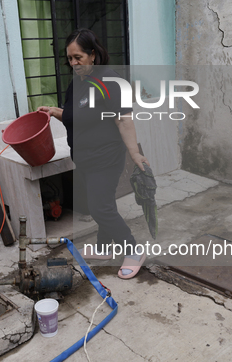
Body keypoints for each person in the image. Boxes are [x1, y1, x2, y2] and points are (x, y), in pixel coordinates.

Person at [38, 28, 149, 279]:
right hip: (85, 157)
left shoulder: (110, 81)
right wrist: (55, 111)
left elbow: (124, 120)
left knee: (100, 208)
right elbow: (76, 113)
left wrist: (134, 153)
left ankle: (133, 250)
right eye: (69, 59)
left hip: (106, 157)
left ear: (92, 55)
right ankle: (104, 246)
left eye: (78, 57)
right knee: (102, 202)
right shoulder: (77, 83)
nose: (73, 63)